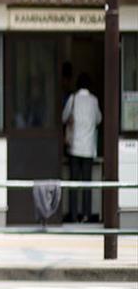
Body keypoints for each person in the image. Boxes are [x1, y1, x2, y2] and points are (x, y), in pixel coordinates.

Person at [63, 73, 102, 223]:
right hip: (88, 148)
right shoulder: (94, 101)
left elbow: (64, 117)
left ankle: (73, 215)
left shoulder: (73, 99)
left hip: (75, 147)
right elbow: (99, 118)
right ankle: (86, 214)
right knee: (87, 183)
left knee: (74, 183)